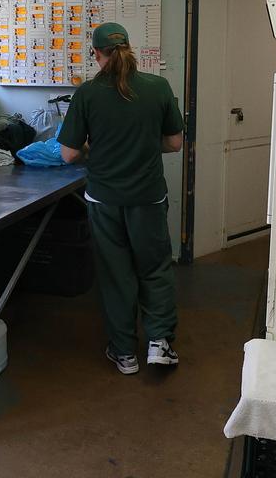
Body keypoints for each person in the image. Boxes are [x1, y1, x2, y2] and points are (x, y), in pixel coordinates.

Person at [58, 22, 184, 375]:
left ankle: (124, 352)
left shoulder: (87, 94)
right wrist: (143, 144)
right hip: (148, 197)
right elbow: (174, 143)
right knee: (155, 267)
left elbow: (68, 154)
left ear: (97, 54)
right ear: (130, 48)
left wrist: (93, 149)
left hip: (104, 199)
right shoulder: (158, 87)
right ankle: (159, 343)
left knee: (116, 274)